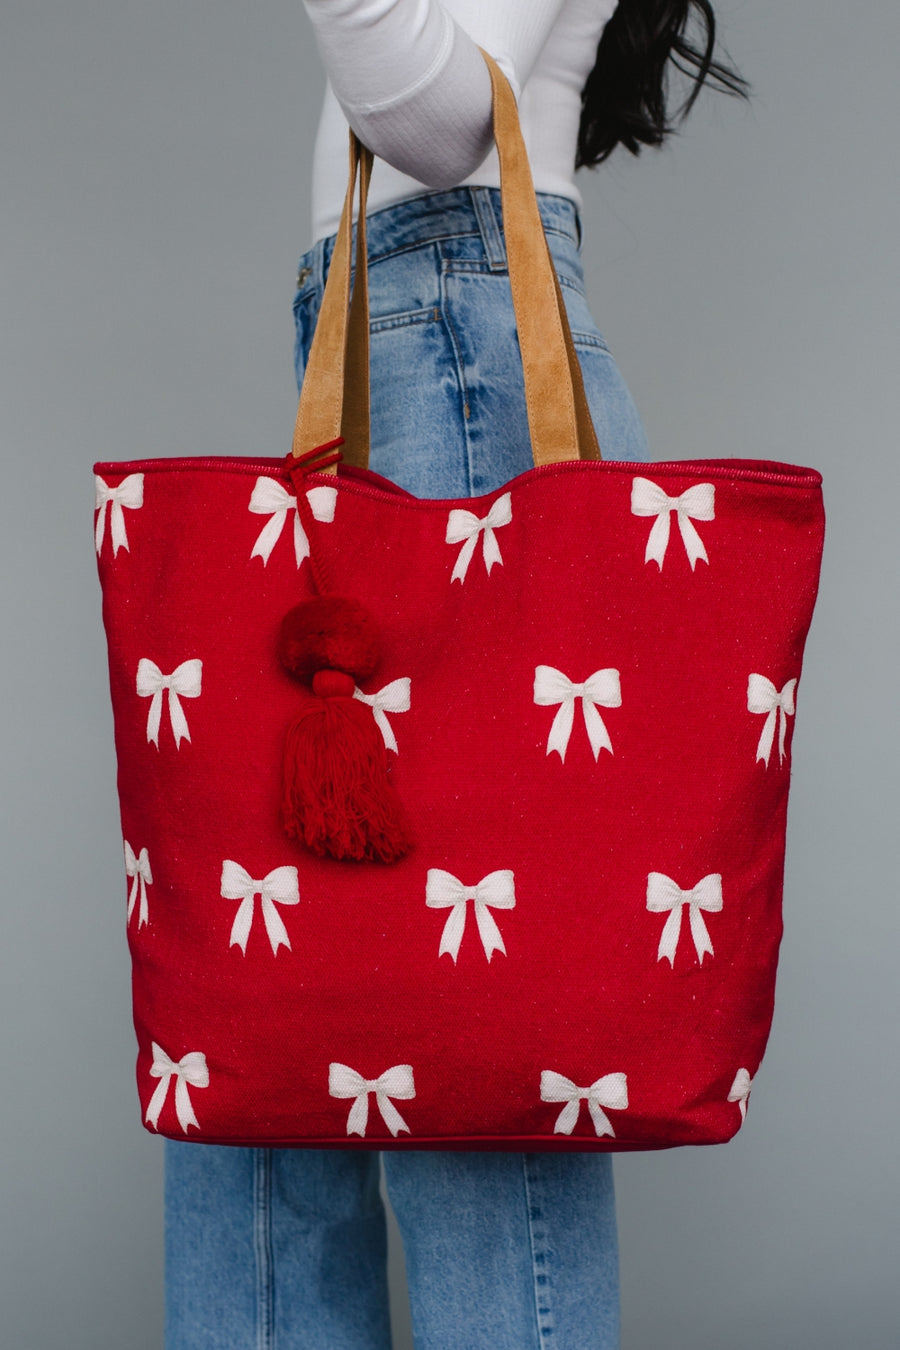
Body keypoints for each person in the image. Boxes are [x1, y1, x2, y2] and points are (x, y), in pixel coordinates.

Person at [165, 4, 746, 1347]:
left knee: (474, 1051)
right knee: (266, 1062)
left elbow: (431, 121)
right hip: (401, 336)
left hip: (462, 348)